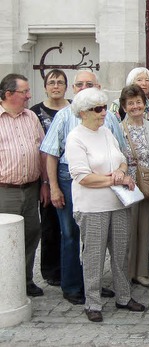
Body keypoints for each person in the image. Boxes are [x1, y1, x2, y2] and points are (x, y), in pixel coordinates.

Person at [40, 70, 124, 305]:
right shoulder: (64, 116)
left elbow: (121, 149)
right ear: (73, 88)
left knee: (94, 238)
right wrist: (53, 187)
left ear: (98, 86)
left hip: (104, 177)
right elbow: (52, 154)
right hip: (70, 179)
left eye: (90, 84)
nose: (85, 87)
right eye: (80, 84)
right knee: (70, 235)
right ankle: (72, 286)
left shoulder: (109, 118)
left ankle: (92, 285)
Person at [66, 88, 146, 322]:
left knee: (121, 252)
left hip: (118, 202)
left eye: (104, 107)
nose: (104, 113)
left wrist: (122, 172)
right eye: (98, 109)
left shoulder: (106, 132)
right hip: (92, 207)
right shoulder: (76, 138)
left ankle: (123, 296)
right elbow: (82, 177)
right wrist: (113, 179)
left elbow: (121, 158)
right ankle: (92, 302)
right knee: (94, 255)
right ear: (83, 113)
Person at [0, 73, 46, 297]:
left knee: (31, 233)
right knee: (6, 237)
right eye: (24, 92)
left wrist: (45, 183)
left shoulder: (31, 117)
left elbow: (42, 152)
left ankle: (25, 280)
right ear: (9, 94)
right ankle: (6, 285)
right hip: (5, 190)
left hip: (31, 188)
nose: (29, 96)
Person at [30, 69, 70, 287]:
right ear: (45, 86)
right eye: (52, 82)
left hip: (71, 175)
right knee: (50, 224)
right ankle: (51, 270)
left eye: (60, 82)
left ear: (66, 86)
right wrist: (45, 183)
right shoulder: (35, 112)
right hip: (47, 176)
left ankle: (71, 267)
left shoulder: (73, 109)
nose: (56, 86)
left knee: (71, 226)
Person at [119, 84, 149, 287]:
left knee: (144, 228)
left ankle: (142, 271)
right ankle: (125, 273)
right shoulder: (118, 129)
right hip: (126, 186)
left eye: (138, 102)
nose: (135, 106)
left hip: (147, 185)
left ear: (145, 105)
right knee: (126, 230)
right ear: (124, 106)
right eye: (130, 103)